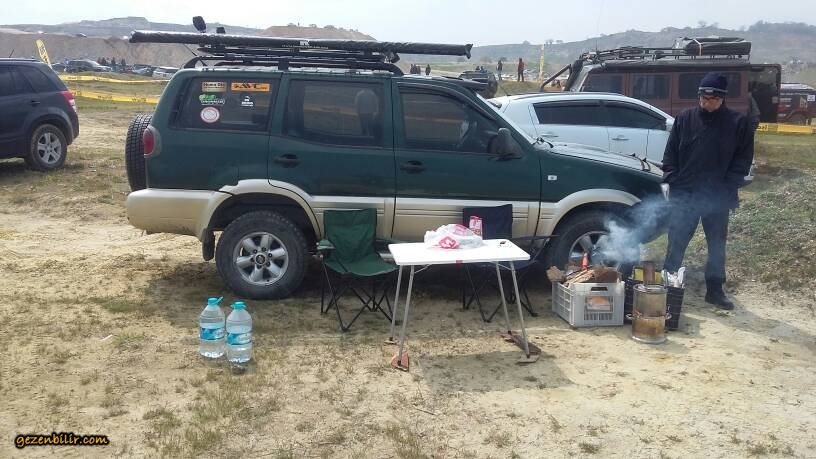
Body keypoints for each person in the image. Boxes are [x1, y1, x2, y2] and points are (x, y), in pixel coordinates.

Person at [661, 72, 754, 310]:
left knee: (716, 245)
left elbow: (742, 160)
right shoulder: (685, 118)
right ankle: (667, 285)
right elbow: (670, 155)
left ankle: (715, 290)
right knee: (677, 240)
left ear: (722, 98)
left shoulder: (737, 123)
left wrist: (728, 185)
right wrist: (672, 179)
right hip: (686, 194)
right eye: (703, 98)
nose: (707, 103)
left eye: (712, 99)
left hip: (717, 197)